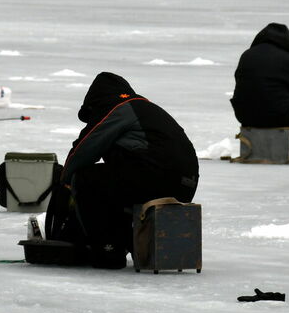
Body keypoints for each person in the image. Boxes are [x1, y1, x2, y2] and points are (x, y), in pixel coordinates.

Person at [45, 72, 199, 269]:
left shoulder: (118, 108)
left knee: (86, 179)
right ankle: (124, 244)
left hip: (155, 178)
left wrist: (64, 185)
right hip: (184, 186)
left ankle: (108, 250)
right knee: (113, 182)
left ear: (96, 101)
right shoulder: (146, 110)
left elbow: (85, 148)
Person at [230, 23, 289, 162]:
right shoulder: (288, 59)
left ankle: (286, 147)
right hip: (277, 117)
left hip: (245, 116)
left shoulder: (247, 55)